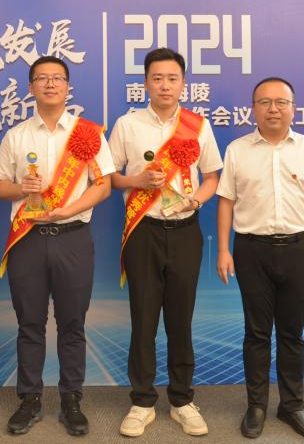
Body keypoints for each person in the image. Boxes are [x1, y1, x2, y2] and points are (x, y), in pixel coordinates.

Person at [0, 55, 115, 436]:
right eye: (42, 78)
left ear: (67, 87)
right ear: (30, 87)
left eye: (57, 78)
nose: (50, 84)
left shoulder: (87, 133)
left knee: (72, 323)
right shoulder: (16, 136)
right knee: (30, 323)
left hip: (73, 238)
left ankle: (71, 400)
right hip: (28, 240)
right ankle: (29, 399)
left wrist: (69, 210)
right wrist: (21, 189)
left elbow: (103, 186)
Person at [216, 77, 304, 440]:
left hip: (297, 250)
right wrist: (223, 249)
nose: (273, 109)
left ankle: (292, 406)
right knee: (256, 333)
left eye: (281, 102)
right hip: (251, 250)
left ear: (293, 108)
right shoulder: (237, 150)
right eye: (265, 102)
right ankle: (256, 406)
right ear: (253, 109)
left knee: (292, 334)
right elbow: (226, 202)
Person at [108, 48, 222, 437]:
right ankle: (142, 402)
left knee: (180, 319)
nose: (165, 85)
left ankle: (182, 400)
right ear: (145, 83)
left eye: (172, 78)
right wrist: (136, 181)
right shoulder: (127, 124)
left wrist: (197, 200)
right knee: (143, 319)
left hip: (186, 229)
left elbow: (212, 177)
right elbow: (109, 177)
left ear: (183, 84)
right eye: (157, 78)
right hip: (144, 230)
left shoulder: (198, 125)